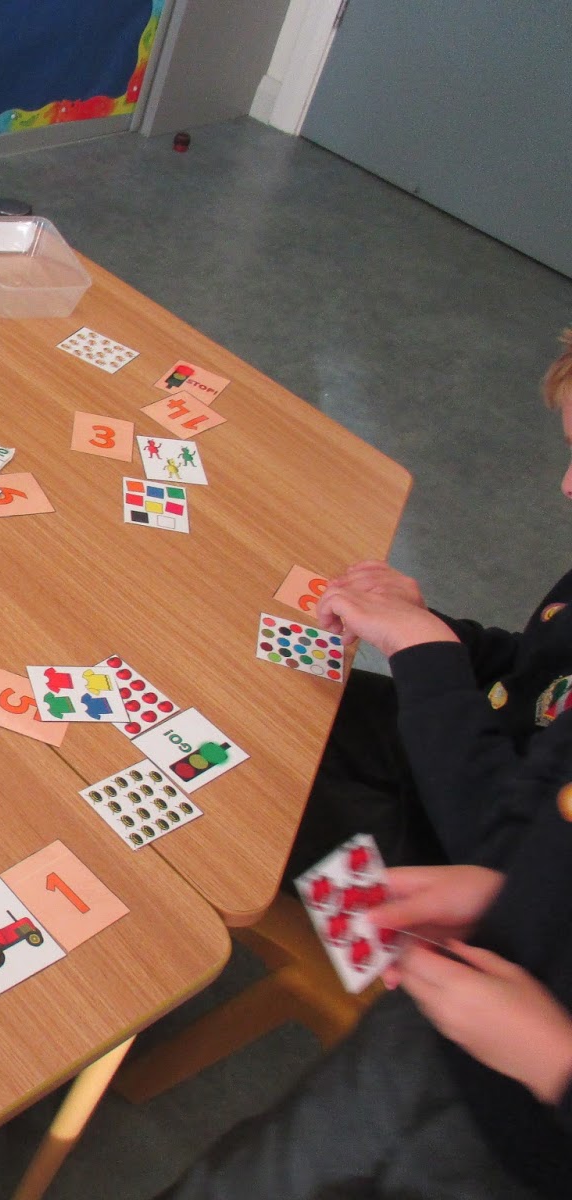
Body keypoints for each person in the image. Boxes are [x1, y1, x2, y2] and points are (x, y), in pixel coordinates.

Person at [158, 773, 572, 1200]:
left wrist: (554, 1062)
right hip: (431, 1031)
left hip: (527, 1164)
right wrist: (516, 894)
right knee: (241, 1179)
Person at [288, 329, 572, 877]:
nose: (566, 485)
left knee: (250, 802)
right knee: (281, 703)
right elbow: (537, 669)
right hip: (469, 739)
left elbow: (508, 855)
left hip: (467, 857)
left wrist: (424, 650)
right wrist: (429, 629)